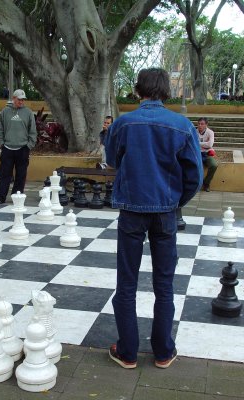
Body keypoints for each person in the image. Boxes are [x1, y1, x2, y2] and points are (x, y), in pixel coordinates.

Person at [104, 68, 203, 369]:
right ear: (165, 91)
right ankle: (163, 352)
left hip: (132, 211)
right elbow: (195, 176)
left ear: (138, 90)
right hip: (165, 213)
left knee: (127, 283)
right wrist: (175, 202)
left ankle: (128, 352)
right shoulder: (182, 125)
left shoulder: (123, 123)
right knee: (164, 284)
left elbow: (111, 160)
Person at [0, 89, 37, 205]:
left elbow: (33, 131)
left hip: (22, 149)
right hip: (7, 148)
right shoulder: (5, 112)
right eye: (19, 99)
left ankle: (17, 197)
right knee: (4, 175)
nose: (21, 102)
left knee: (21, 175)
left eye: (23, 100)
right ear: (14, 99)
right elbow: (0, 129)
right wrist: (1, 143)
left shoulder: (28, 113)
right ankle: (0, 197)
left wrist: (29, 146)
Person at [197, 117, 218, 192]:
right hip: (197, 153)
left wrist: (198, 143)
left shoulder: (210, 132)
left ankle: (206, 183)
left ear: (206, 125)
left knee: (214, 165)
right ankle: (197, 184)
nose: (200, 125)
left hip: (207, 153)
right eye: (198, 124)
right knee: (191, 165)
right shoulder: (194, 132)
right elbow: (192, 143)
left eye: (202, 124)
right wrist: (204, 144)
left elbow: (210, 144)